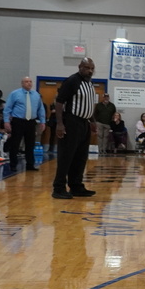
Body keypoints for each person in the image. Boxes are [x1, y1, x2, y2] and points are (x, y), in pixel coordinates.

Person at [52, 58, 97, 199]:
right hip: (71, 122)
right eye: (87, 67)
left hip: (84, 124)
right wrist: (60, 124)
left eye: (92, 68)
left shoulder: (90, 84)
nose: (89, 70)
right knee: (66, 157)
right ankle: (58, 188)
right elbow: (59, 102)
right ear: (80, 67)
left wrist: (93, 120)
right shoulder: (72, 81)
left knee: (81, 157)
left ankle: (76, 186)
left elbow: (89, 104)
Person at [3, 76, 45, 171]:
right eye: (26, 81)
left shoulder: (36, 95)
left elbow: (40, 109)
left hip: (31, 122)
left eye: (30, 81)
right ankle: (13, 165)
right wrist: (6, 121)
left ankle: (30, 165)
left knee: (30, 144)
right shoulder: (15, 94)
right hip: (18, 121)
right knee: (15, 144)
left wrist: (43, 121)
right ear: (22, 83)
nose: (29, 83)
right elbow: (7, 108)